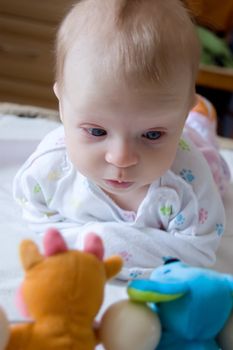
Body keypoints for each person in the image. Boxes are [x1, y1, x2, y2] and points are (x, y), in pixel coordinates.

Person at [13, 0, 230, 280]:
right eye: (97, 131)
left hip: (195, 146)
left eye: (152, 134)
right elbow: (38, 219)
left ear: (181, 111)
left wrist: (102, 240)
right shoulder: (48, 172)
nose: (121, 157)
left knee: (217, 166)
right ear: (62, 106)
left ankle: (200, 119)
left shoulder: (190, 183)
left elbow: (199, 254)